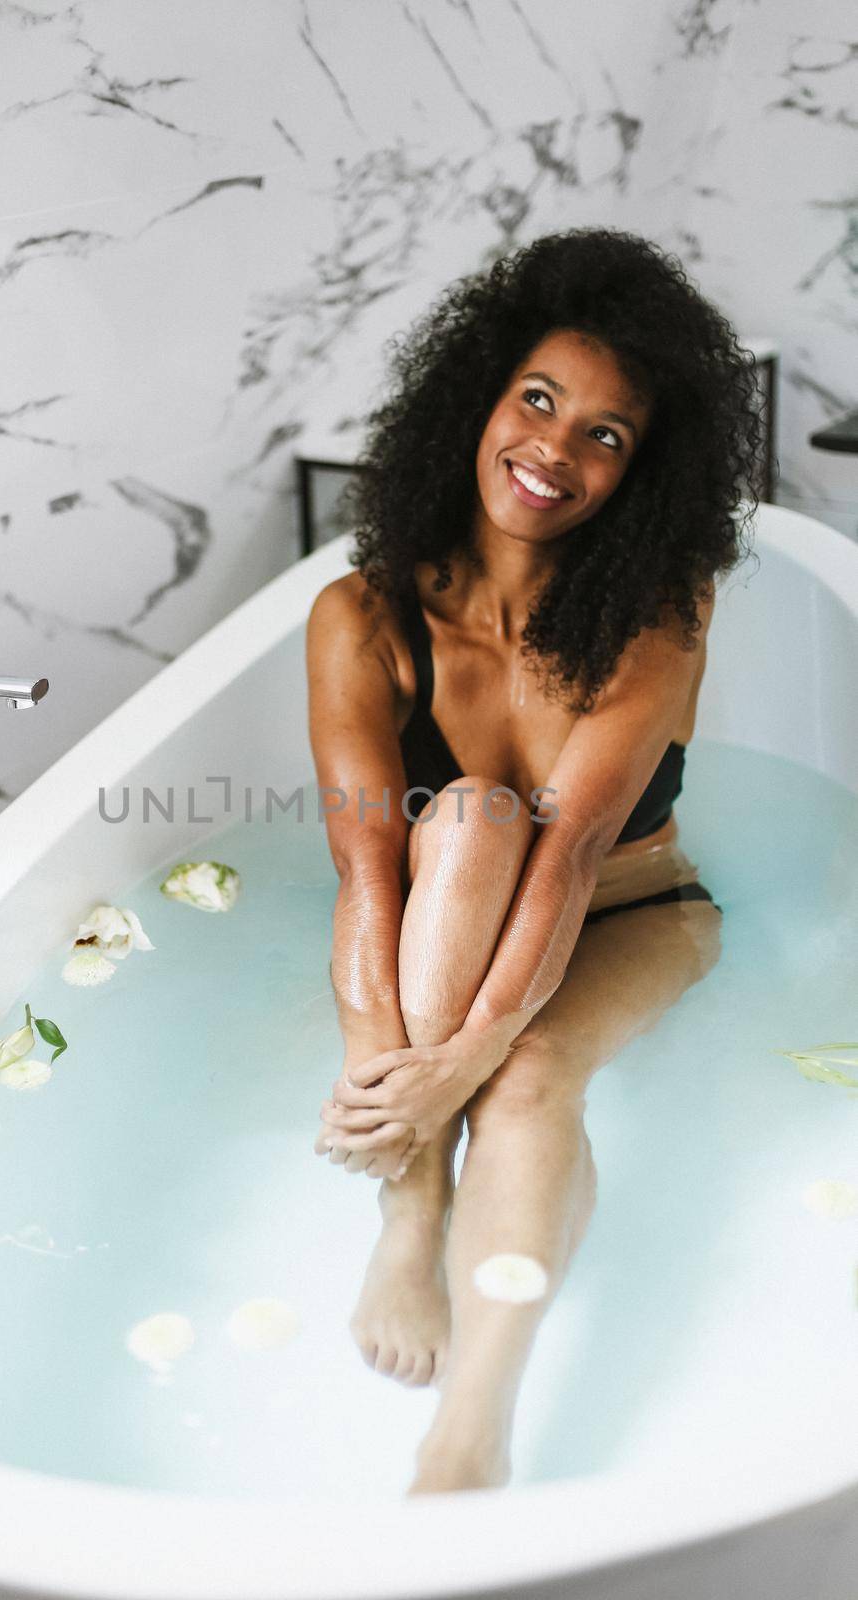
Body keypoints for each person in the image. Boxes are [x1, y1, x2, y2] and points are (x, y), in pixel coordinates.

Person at [304, 227, 764, 1495]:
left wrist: (456, 1067)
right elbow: (364, 875)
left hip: (636, 906)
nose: (553, 451)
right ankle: (412, 1212)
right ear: (481, 399)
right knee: (462, 822)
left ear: (639, 473)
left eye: (605, 435)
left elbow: (566, 866)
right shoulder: (362, 614)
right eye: (537, 401)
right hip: (439, 915)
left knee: (530, 1075)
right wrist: (378, 1085)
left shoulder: (654, 615)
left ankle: (474, 1424)